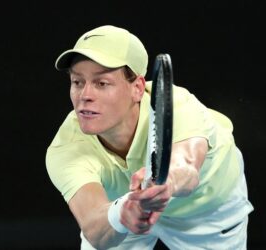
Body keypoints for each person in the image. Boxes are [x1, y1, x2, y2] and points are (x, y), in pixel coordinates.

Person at [45, 25, 254, 250]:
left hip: (204, 212)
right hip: (129, 206)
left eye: (101, 83)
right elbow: (95, 226)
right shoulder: (67, 146)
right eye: (77, 82)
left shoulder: (179, 106)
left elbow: (187, 167)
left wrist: (165, 183)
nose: (85, 95)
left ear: (137, 88)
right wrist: (123, 212)